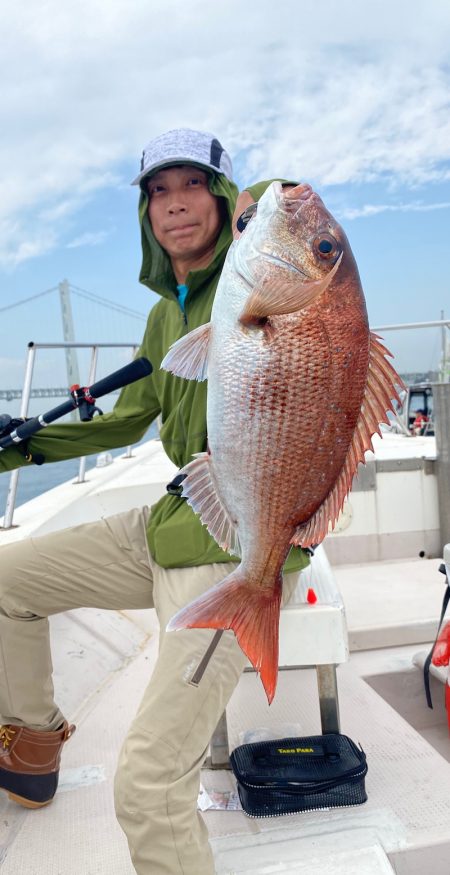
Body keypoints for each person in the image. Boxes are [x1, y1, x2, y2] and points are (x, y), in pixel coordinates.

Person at [0, 128, 309, 875]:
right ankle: (33, 747)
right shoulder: (162, 315)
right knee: (8, 580)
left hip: (235, 548)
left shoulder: (257, 271)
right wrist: (18, 445)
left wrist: (268, 205)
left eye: (194, 186)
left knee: (145, 782)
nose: (175, 205)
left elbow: (287, 205)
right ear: (145, 215)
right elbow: (128, 418)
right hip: (173, 518)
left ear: (226, 200)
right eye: (158, 192)